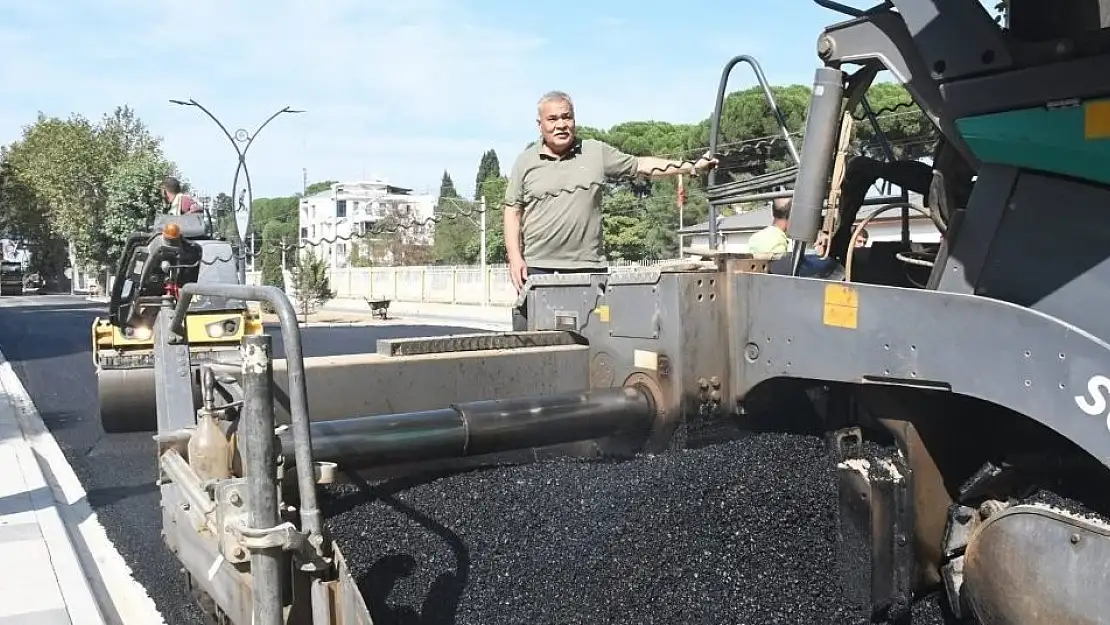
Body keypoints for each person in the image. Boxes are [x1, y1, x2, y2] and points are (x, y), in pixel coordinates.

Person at [503, 90, 718, 331]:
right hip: (538, 268)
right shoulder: (525, 161)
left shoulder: (595, 152)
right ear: (539, 124)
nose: (561, 125)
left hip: (588, 268)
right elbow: (512, 212)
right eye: (553, 119)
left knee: (593, 343)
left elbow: (642, 165)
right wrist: (515, 257)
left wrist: (691, 167)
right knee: (535, 347)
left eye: (567, 117)